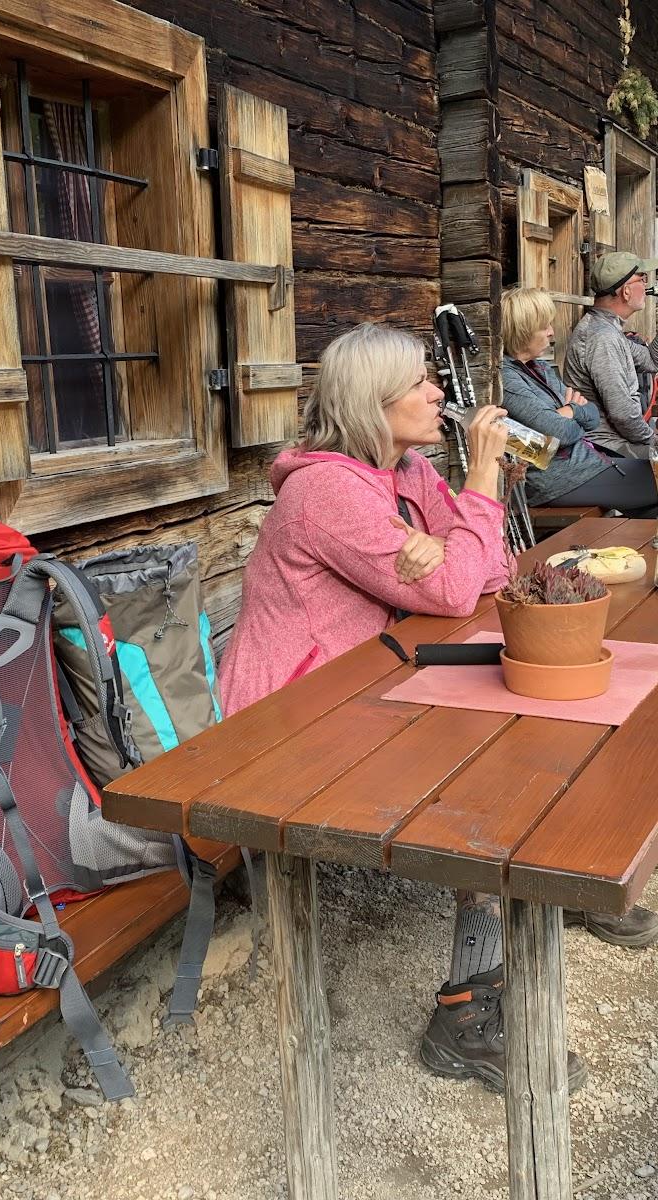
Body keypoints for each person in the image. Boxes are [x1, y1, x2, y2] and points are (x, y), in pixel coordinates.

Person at [218, 322, 587, 1092]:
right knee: (489, 766)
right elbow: (456, 586)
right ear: (370, 402)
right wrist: (477, 496)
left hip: (366, 682)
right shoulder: (325, 492)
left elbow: (482, 577)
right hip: (289, 722)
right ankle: (466, 1010)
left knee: (529, 709)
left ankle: (564, 881)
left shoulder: (408, 471)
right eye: (421, 381)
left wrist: (454, 538)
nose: (438, 392)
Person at [501, 285, 658, 517]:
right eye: (544, 326)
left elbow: (591, 415)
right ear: (523, 331)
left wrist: (569, 412)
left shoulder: (540, 368)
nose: (552, 332)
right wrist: (572, 413)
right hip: (559, 479)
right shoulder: (507, 378)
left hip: (586, 464)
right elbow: (559, 434)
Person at [563, 251, 658, 458]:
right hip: (605, 450)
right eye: (643, 278)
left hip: (618, 442)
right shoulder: (602, 337)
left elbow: (651, 361)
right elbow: (623, 415)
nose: (646, 285)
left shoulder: (608, 330)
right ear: (625, 291)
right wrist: (653, 440)